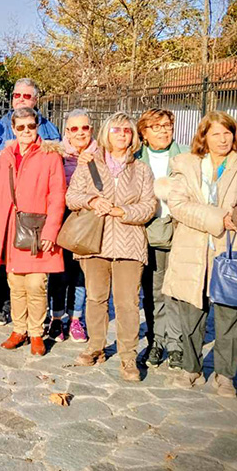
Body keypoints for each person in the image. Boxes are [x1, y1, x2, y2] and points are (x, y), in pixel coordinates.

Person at [160, 111, 237, 397]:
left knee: (232, 315)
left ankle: (225, 375)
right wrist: (221, 218)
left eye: (227, 133)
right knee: (191, 315)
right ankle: (191, 369)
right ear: (204, 136)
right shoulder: (186, 164)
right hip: (193, 250)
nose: (223, 139)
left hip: (233, 250)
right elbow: (178, 205)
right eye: (216, 133)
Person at [66, 111, 156, 381]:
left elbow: (149, 206)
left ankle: (128, 357)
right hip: (96, 242)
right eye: (116, 130)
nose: (122, 135)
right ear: (107, 133)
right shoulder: (89, 164)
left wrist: (122, 211)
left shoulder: (141, 169)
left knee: (128, 303)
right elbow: (72, 197)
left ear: (133, 136)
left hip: (130, 244)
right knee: (96, 298)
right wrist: (92, 201)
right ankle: (96, 346)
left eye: (127, 130)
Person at [0, 107, 66, 354]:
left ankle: (36, 332)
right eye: (21, 127)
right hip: (10, 228)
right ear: (14, 129)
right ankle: (19, 329)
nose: (26, 131)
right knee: (15, 283)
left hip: (37, 229)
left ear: (37, 126)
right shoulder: (6, 155)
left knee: (36, 283)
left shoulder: (50, 155)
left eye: (31, 126)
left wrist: (51, 231)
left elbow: (57, 195)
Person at [136, 108, 188, 370]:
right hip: (149, 231)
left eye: (167, 125)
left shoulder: (186, 156)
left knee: (177, 291)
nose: (163, 131)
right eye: (156, 127)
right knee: (154, 291)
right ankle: (156, 340)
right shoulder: (137, 158)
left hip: (181, 231)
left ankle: (177, 344)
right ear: (144, 133)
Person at [48, 108, 96, 343]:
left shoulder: (100, 154)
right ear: (66, 131)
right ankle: (56, 318)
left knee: (80, 271)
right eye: (74, 128)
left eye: (84, 127)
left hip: (87, 218)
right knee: (59, 269)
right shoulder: (57, 154)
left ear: (91, 130)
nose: (80, 132)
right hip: (62, 215)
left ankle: (76, 318)